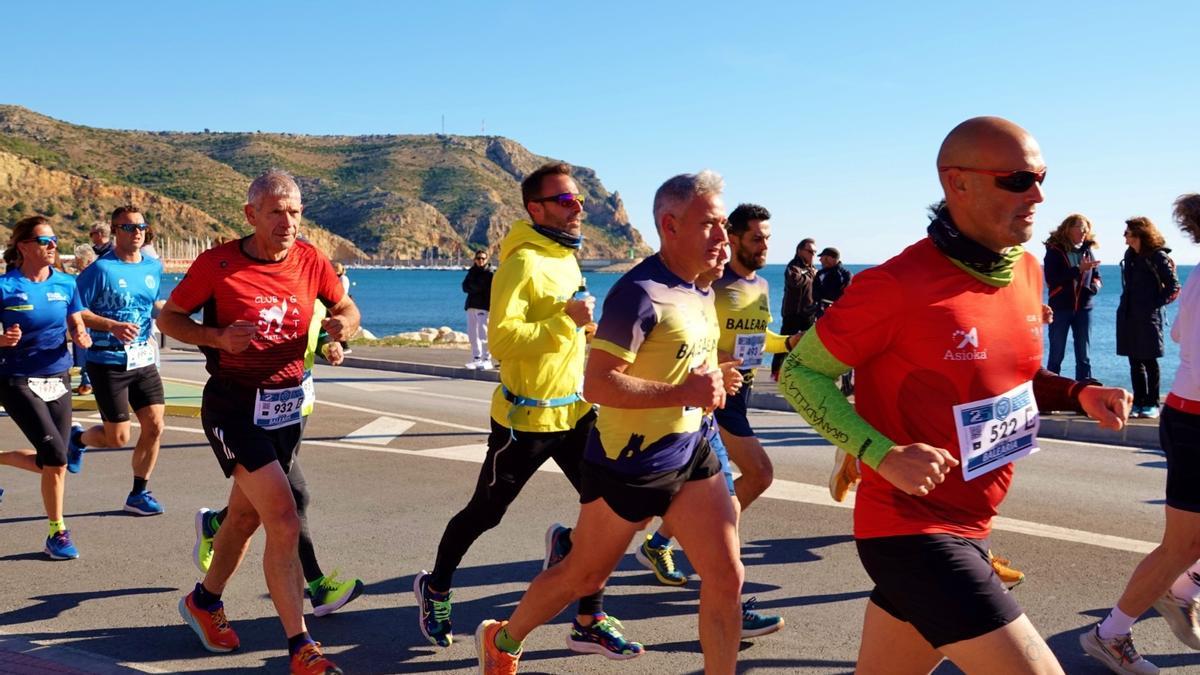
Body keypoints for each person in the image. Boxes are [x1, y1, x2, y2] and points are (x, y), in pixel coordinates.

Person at [780, 116, 1133, 674]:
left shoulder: (1027, 271)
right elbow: (800, 374)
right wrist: (881, 454)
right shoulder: (896, 285)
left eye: (1042, 176)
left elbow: (1011, 378)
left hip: (973, 522)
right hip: (910, 531)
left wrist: (1078, 392)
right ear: (957, 183)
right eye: (1017, 180)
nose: (1038, 194)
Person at [475, 170, 743, 674]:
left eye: (724, 223)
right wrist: (686, 391)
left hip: (692, 450)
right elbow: (598, 384)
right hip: (631, 461)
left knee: (727, 577)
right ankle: (503, 639)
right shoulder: (637, 293)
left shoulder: (700, 289)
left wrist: (713, 380)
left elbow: (681, 361)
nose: (723, 237)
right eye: (710, 224)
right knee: (581, 575)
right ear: (670, 225)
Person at [416, 162, 642, 659]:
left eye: (578, 199)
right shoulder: (521, 263)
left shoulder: (564, 256)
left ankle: (589, 618)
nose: (577, 206)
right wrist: (565, 320)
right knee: (485, 513)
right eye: (565, 200)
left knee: (607, 514)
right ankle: (435, 587)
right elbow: (501, 341)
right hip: (527, 420)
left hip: (578, 412)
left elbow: (575, 331)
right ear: (534, 209)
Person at [157, 169, 356, 674]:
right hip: (234, 407)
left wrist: (342, 328)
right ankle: (301, 647)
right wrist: (219, 338)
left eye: (294, 212)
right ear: (250, 215)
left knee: (245, 519)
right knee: (284, 519)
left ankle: (205, 601)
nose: (287, 222)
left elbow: (347, 308)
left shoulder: (311, 260)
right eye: (275, 212)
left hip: (288, 410)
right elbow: (170, 319)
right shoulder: (218, 263)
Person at [634, 203, 791, 636]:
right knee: (752, 479)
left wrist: (790, 341)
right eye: (756, 238)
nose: (764, 246)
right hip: (711, 399)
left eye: (768, 238)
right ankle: (721, 591)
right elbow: (688, 337)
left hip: (738, 397)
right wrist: (717, 363)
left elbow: (755, 341)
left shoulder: (759, 286)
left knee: (714, 492)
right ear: (735, 237)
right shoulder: (710, 284)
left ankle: (653, 542)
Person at [1081, 194, 1200, 675]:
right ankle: (1109, 634)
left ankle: (1182, 590)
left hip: (1186, 410)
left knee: (1188, 545)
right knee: (1181, 545)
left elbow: (1178, 337)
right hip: (1195, 420)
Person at [193, 301, 365, 618]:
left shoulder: (311, 283)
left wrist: (331, 344)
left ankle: (214, 524)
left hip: (299, 403)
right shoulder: (267, 288)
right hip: (262, 405)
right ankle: (317, 586)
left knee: (261, 501)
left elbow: (321, 328)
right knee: (293, 495)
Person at [0, 216, 92, 559]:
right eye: (44, 241)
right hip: (17, 378)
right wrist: (2, 339)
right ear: (23, 246)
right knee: (55, 456)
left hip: (57, 378)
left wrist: (81, 335)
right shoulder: (5, 287)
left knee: (55, 462)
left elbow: (76, 321)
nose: (52, 246)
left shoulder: (67, 284)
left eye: (54, 240)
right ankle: (58, 531)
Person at [69, 206, 167, 516]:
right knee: (118, 438)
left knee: (155, 426)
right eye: (128, 227)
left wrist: (183, 318)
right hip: (106, 361)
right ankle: (79, 438)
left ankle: (139, 492)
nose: (136, 232)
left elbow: (152, 305)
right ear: (115, 231)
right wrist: (111, 325)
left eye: (141, 226)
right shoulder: (100, 270)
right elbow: (77, 309)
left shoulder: (153, 267)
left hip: (142, 359)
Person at [1117, 216, 1181, 419]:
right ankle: (1139, 402)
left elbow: (1173, 286)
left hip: (1148, 316)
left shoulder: (1157, 256)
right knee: (1134, 360)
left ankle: (1152, 403)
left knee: (1150, 360)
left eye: (1127, 233)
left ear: (1138, 234)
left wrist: (1152, 304)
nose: (1124, 236)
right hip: (1128, 313)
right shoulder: (1130, 255)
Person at [1044, 213, 1102, 381]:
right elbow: (1052, 279)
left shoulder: (1088, 251)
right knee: (1056, 354)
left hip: (1084, 308)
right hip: (1061, 308)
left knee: (1084, 356)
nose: (1084, 231)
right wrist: (1078, 269)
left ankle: (1084, 392)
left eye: (1086, 228)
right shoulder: (1055, 251)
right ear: (1069, 229)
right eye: (1080, 227)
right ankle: (1050, 390)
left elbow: (1097, 275)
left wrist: (1094, 287)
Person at [772, 239, 817, 379]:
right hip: (792, 313)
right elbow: (795, 281)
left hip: (808, 312)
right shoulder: (794, 267)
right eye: (810, 251)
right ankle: (776, 372)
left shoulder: (812, 269)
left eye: (814, 252)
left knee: (808, 344)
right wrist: (810, 276)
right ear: (800, 251)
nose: (812, 255)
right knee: (784, 343)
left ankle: (803, 372)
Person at [70, 244, 97, 396]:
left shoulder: (88, 275)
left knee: (86, 350)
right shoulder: (89, 274)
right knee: (83, 351)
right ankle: (85, 381)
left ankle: (87, 382)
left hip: (87, 318)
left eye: (77, 259)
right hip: (84, 317)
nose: (75, 262)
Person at [462, 250, 494, 369]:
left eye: (483, 258)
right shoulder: (471, 272)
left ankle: (487, 358)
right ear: (475, 259)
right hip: (471, 306)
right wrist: (473, 287)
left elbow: (480, 286)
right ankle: (476, 358)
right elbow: (464, 287)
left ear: (487, 260)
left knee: (483, 333)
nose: (481, 260)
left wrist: (473, 286)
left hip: (483, 306)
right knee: (472, 333)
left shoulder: (489, 273)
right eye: (478, 258)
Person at [812, 246, 852, 318]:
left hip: (837, 314)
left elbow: (846, 295)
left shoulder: (845, 275)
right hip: (820, 314)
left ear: (831, 258)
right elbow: (815, 293)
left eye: (823, 257)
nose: (820, 260)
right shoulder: (820, 273)